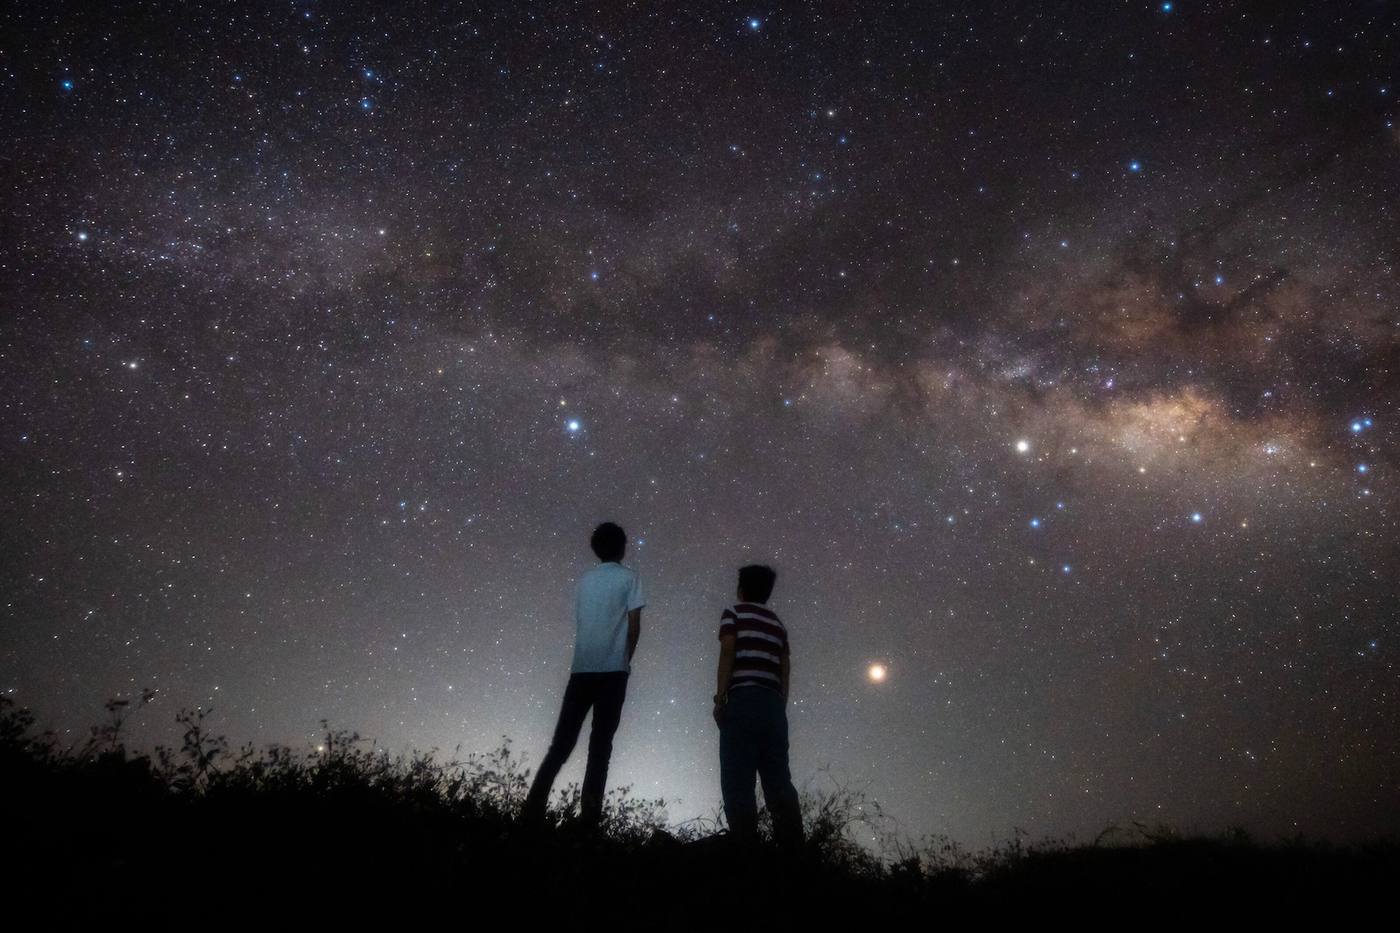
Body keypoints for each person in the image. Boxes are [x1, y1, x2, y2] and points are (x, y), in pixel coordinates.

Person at [521, 522, 645, 827]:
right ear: (622, 546)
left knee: (560, 744)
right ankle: (589, 820)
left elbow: (583, 620)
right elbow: (634, 625)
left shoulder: (585, 581)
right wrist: (625, 660)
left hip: (581, 670)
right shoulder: (630, 578)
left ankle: (531, 810)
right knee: (600, 747)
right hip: (613, 672)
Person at [713, 564, 804, 850]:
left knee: (737, 779)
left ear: (741, 589)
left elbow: (728, 650)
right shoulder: (779, 625)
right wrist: (780, 706)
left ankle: (745, 847)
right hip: (773, 707)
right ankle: (793, 849)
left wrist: (720, 697)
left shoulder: (734, 614)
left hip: (742, 701)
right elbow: (785, 669)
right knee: (778, 781)